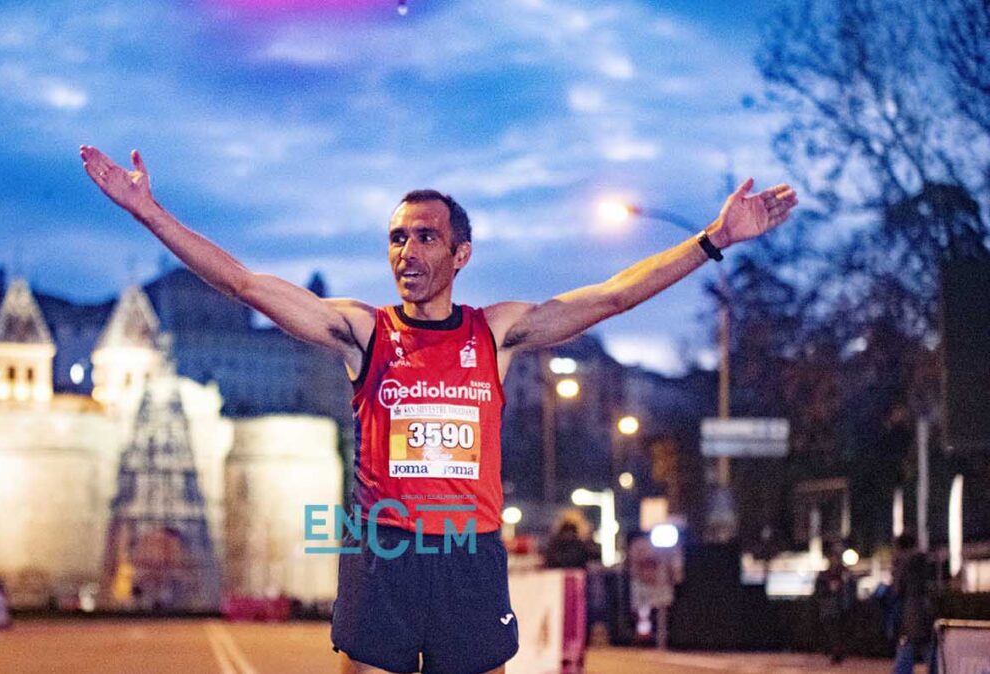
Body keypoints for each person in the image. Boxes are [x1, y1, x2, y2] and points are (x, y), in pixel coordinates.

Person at [79, 145, 797, 674]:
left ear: (460, 254)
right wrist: (149, 213)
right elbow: (243, 284)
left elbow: (610, 296)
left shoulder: (497, 332)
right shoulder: (362, 331)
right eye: (396, 237)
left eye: (424, 236)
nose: (407, 249)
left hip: (468, 551)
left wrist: (712, 240)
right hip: (385, 551)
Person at [890, 534, 937, 674]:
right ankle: (937, 669)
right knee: (928, 643)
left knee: (907, 642)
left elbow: (897, 588)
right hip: (926, 606)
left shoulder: (902, 561)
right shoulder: (924, 559)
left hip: (910, 608)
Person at [814, 544, 855, 664]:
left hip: (843, 608)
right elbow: (819, 591)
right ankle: (835, 653)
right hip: (829, 609)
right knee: (832, 632)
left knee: (841, 632)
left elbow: (852, 590)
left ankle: (838, 653)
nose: (836, 560)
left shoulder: (846, 574)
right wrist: (829, 589)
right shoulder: (824, 575)